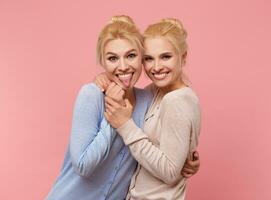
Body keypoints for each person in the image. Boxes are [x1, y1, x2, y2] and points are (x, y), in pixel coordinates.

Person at [46, 15, 199, 200]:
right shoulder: (92, 95)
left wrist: (186, 159)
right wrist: (114, 117)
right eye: (112, 58)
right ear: (103, 62)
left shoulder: (148, 99)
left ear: (140, 58)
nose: (123, 66)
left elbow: (159, 146)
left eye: (131, 56)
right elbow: (82, 166)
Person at [100, 18, 201, 199]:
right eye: (148, 59)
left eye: (165, 57)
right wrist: (102, 79)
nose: (156, 67)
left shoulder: (176, 101)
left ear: (183, 57)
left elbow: (170, 172)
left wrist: (125, 125)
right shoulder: (155, 91)